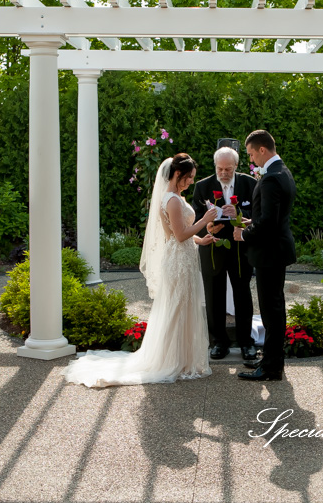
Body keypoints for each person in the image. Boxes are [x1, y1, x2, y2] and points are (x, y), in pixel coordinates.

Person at [63, 153, 218, 388]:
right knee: (176, 308)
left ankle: (182, 360)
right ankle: (170, 361)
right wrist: (205, 219)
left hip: (183, 257)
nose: (190, 182)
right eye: (188, 178)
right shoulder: (173, 200)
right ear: (177, 174)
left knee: (183, 307)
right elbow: (178, 235)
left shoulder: (174, 197)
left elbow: (184, 235)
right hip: (178, 262)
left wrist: (201, 239)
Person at [233, 130, 296, 381]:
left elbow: (269, 222)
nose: (252, 160)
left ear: (262, 149)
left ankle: (271, 368)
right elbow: (272, 217)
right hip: (276, 250)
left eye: (251, 154)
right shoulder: (283, 171)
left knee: (271, 311)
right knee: (274, 308)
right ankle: (272, 359)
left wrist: (244, 234)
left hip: (269, 253)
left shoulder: (270, 178)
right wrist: (252, 221)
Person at [192, 145, 257, 361]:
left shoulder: (250, 183)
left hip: (240, 247)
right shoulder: (202, 186)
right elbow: (195, 218)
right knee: (213, 294)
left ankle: (246, 341)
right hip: (212, 245)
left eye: (228, 169)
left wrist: (240, 213)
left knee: (242, 292)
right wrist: (207, 228)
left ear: (236, 166)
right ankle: (219, 341)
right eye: (220, 169)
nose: (223, 173)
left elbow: (258, 213)